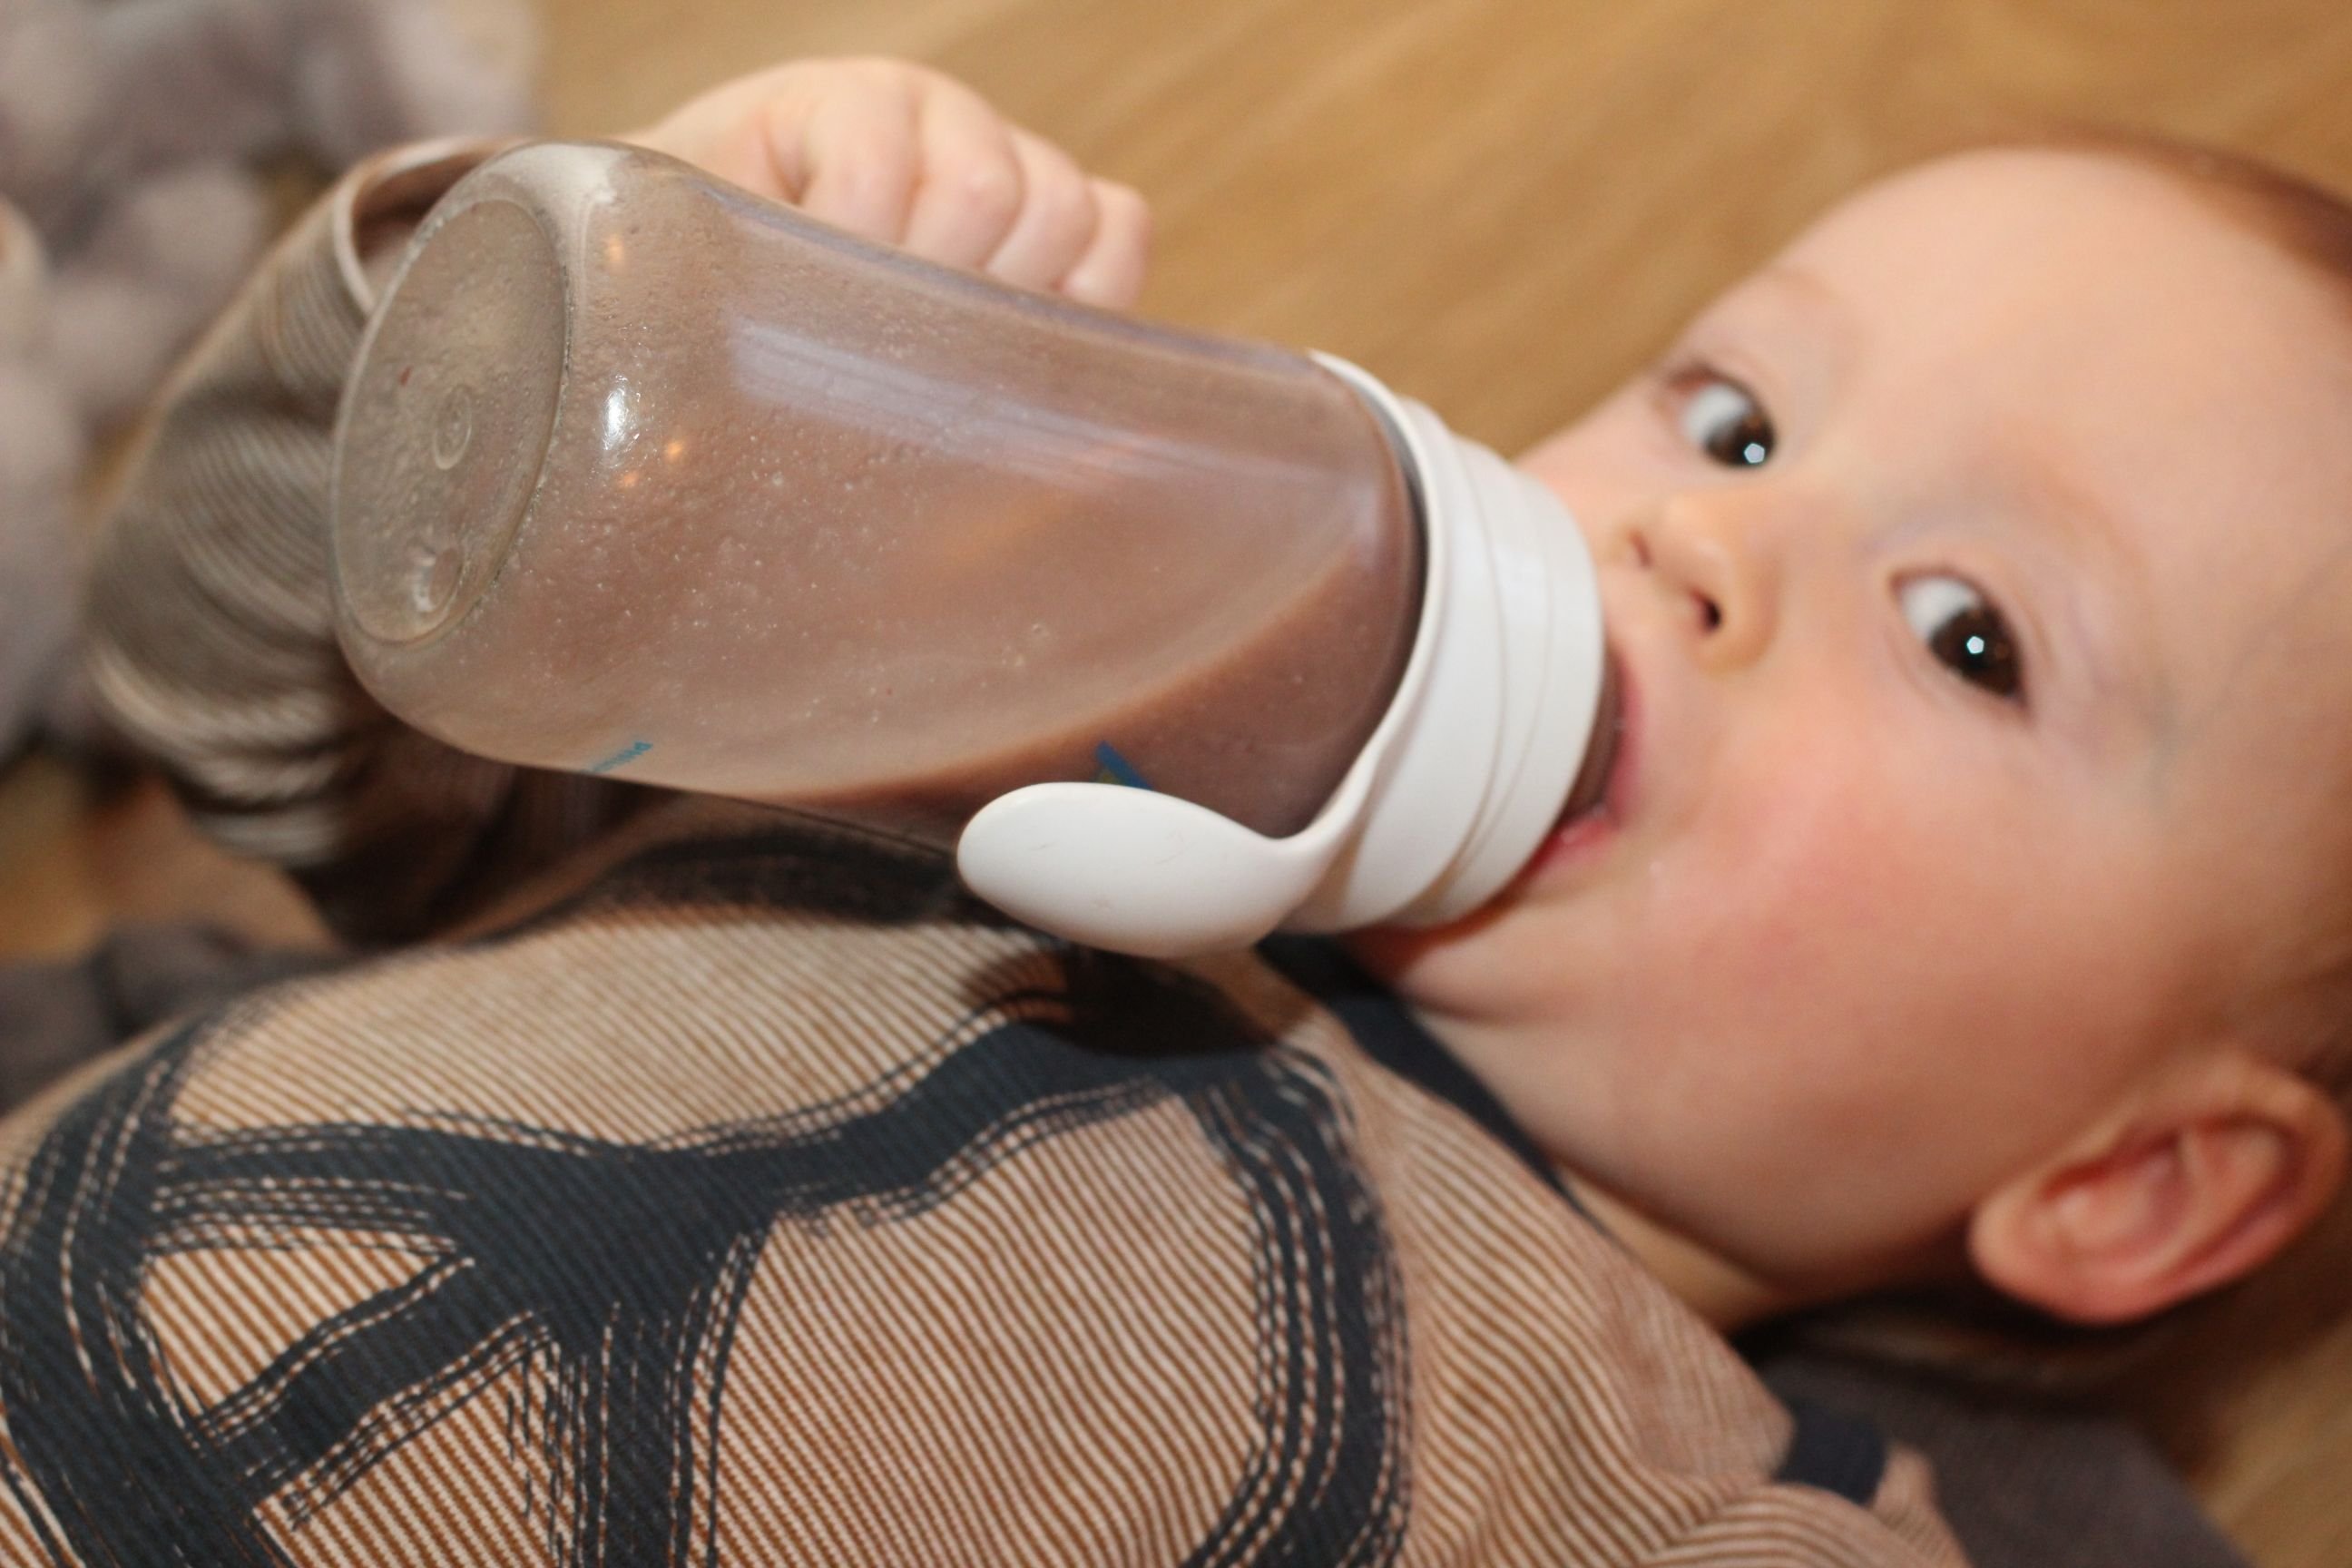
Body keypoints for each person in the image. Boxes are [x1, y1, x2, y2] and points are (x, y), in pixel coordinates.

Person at [24, 53, 2351, 1564]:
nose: (1700, 546)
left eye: (1972, 636)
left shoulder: (1695, 1510)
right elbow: (220, 675)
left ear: (2138, 1184)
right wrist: (560, 324)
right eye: (1733, 420)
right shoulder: (939, 724)